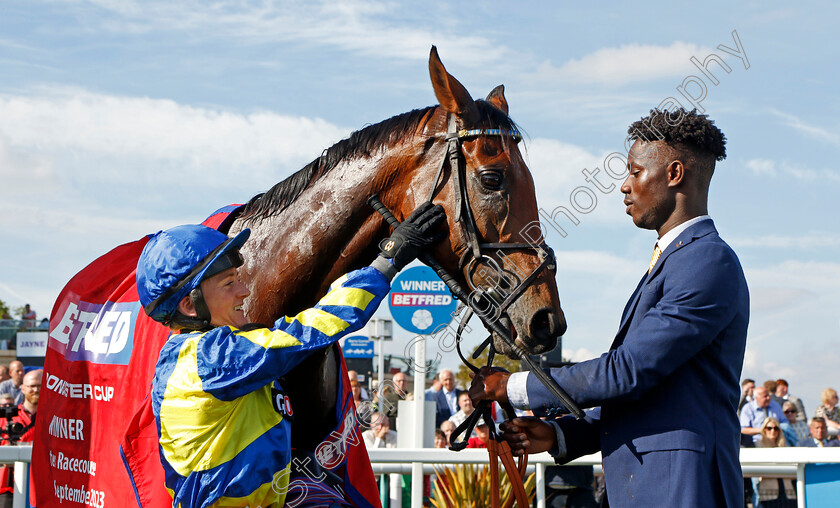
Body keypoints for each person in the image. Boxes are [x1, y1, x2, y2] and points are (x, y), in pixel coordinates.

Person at [469, 108, 749, 507]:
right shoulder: (676, 260)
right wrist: (560, 433)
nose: (624, 186)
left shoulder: (707, 261)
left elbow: (628, 370)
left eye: (635, 172)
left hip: (682, 489)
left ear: (673, 175)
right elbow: (647, 391)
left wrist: (516, 386)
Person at [139, 202, 445, 508]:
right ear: (190, 307)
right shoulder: (210, 358)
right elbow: (308, 330)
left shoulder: (211, 351)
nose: (244, 291)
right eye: (229, 283)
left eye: (238, 278)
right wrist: (387, 263)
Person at [0, 369, 41, 507]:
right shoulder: (6, 418)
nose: (36, 390)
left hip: (41, 488)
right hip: (9, 488)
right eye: (32, 386)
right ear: (23, 388)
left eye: (40, 386)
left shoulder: (54, 418)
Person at [752, 417, 795, 507]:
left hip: (787, 491)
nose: (773, 431)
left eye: (776, 428)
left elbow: (793, 469)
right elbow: (759, 469)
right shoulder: (758, 445)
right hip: (769, 492)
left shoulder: (784, 446)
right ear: (764, 430)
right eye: (769, 428)